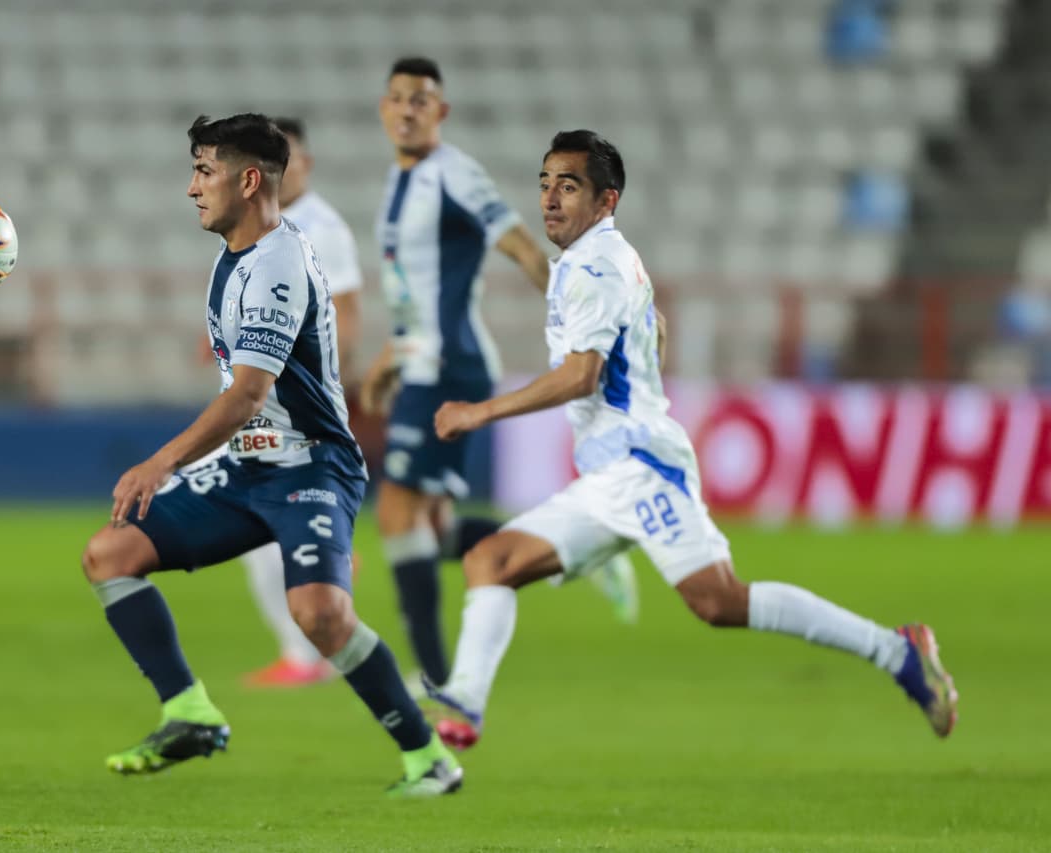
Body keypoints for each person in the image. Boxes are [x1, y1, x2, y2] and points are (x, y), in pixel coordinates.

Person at [423, 129, 959, 750]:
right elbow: (647, 323)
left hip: (640, 467)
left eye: (568, 186)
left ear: (606, 200)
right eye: (545, 184)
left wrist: (480, 413)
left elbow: (580, 376)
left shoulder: (595, 266)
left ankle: (897, 652)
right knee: (490, 561)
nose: (549, 198)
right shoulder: (597, 260)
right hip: (609, 473)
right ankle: (465, 702)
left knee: (719, 601)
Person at [80, 113, 461, 796]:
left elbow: (250, 394)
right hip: (247, 465)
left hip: (310, 463)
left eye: (205, 171)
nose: (192, 188)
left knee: (320, 615)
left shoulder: (278, 264)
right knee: (110, 554)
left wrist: (163, 460)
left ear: (248, 180)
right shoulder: (236, 254)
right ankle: (189, 712)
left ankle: (427, 755)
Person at [362, 57, 639, 690]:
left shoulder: (453, 173)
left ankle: (436, 676)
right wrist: (386, 360)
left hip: (448, 365)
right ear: (384, 109)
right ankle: (581, 547)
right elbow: (412, 292)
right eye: (397, 98)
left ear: (440, 112)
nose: (407, 110)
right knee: (430, 529)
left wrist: (574, 314)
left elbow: (519, 245)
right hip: (419, 360)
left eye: (420, 100)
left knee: (398, 516)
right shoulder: (400, 180)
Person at [239, 117, 363, 688]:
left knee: (263, 523)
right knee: (262, 526)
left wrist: (328, 389)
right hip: (265, 401)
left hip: (298, 404)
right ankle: (315, 644)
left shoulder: (321, 229)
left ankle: (310, 652)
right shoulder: (263, 227)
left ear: (305, 165)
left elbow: (348, 314)